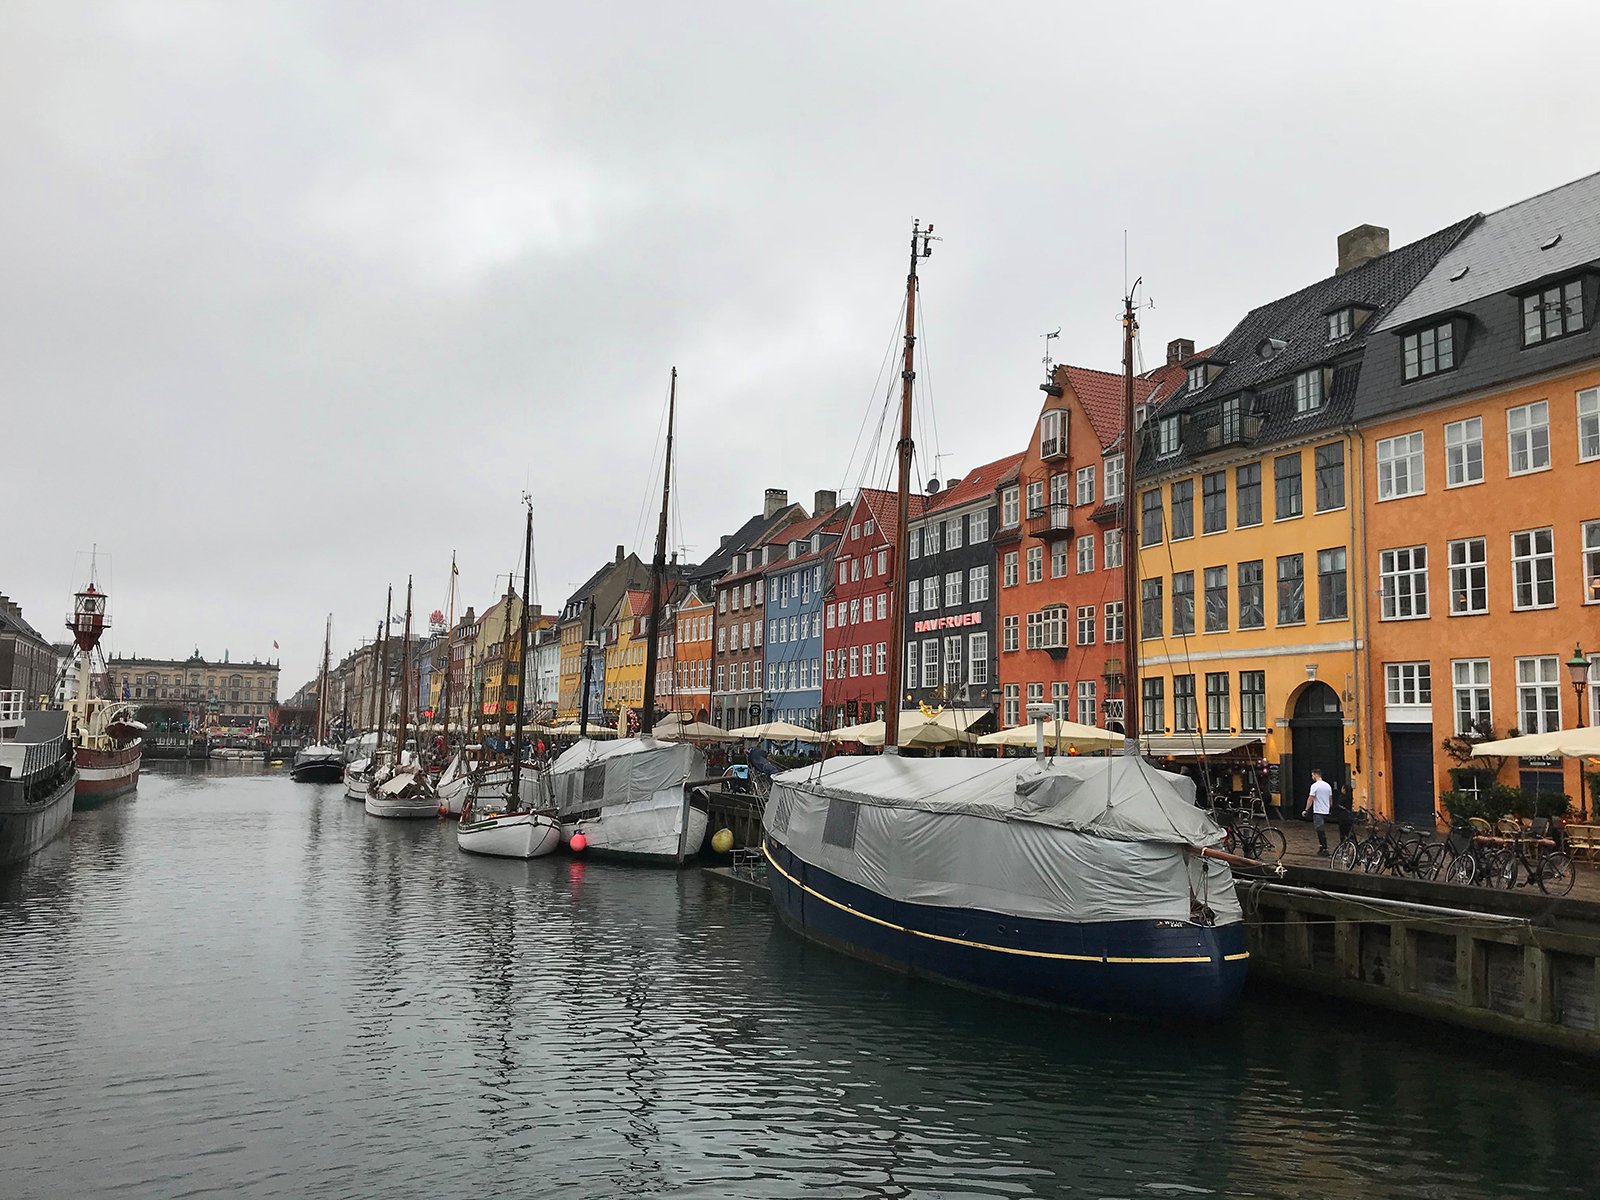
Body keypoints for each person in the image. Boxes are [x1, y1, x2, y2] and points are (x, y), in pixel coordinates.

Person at [1303, 768, 1334, 856]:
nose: (1312, 777)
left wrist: (1306, 809)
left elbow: (1311, 798)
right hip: (1326, 810)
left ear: (1316, 775)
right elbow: (1330, 799)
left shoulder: (1315, 786)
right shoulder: (1328, 786)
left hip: (1318, 811)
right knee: (1321, 829)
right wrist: (1330, 808)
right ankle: (1322, 847)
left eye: (1312, 775)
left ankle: (1324, 848)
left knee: (1320, 830)